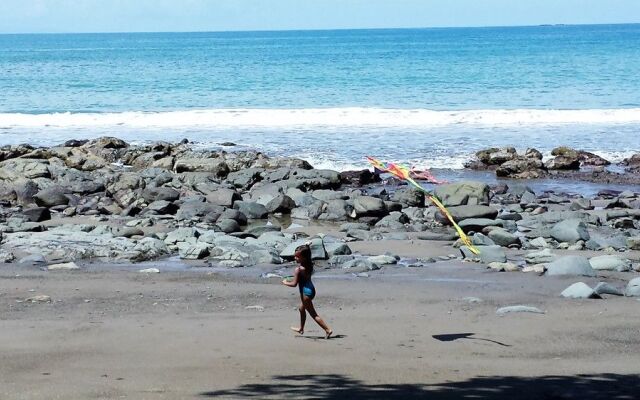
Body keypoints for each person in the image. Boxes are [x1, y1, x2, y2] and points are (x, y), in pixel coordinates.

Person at [282, 244, 333, 339]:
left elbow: (294, 284)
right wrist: (307, 246)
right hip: (311, 290)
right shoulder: (309, 265)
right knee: (301, 309)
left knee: (313, 314)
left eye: (297, 256)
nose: (295, 258)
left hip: (305, 293)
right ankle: (301, 328)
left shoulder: (298, 269)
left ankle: (327, 330)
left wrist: (285, 282)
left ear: (304, 258)